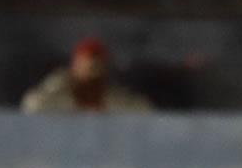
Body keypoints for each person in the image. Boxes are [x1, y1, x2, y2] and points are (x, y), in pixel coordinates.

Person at [21, 38, 152, 113]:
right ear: (75, 66)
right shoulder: (60, 91)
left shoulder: (110, 96)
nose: (91, 72)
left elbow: (144, 110)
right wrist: (61, 86)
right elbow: (31, 106)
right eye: (87, 66)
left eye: (96, 67)